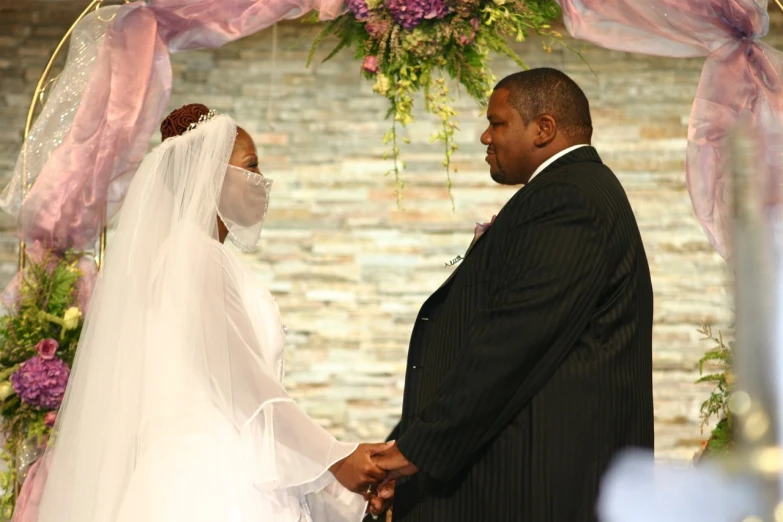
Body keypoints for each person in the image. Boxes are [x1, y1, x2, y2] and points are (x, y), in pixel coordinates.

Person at [33, 104, 388, 522]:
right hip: (213, 483)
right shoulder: (196, 257)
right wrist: (335, 458)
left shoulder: (185, 257)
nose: (262, 181)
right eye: (251, 166)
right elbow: (246, 386)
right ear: (210, 173)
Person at [369, 68, 655, 522]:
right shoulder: (568, 193)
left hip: (532, 484)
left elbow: (513, 343)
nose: (485, 135)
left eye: (497, 122)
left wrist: (418, 449)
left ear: (544, 128)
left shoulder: (570, 199)